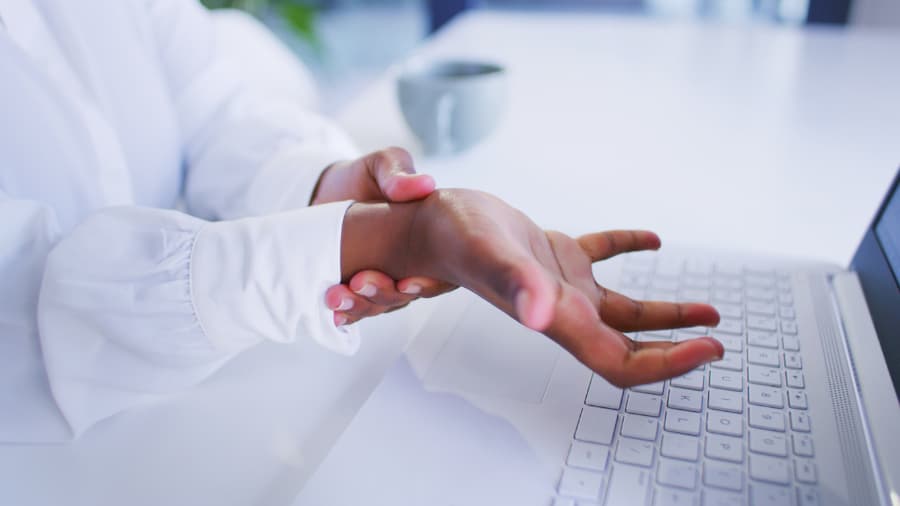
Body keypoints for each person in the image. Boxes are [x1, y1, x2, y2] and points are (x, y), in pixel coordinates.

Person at [0, 0, 722, 442]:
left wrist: (331, 190)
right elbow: (21, 299)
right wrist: (385, 237)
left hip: (204, 410)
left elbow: (217, 113)